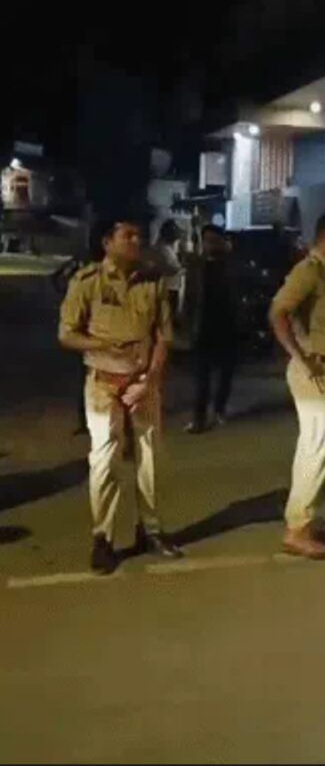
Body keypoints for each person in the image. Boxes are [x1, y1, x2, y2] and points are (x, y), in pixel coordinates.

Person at [58, 217, 183, 575]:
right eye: (128, 235)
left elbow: (163, 337)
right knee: (105, 461)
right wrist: (103, 345)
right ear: (107, 242)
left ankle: (152, 530)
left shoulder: (153, 282)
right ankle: (103, 538)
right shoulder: (87, 282)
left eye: (138, 235)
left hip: (143, 381)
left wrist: (150, 381)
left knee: (150, 458)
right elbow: (66, 334)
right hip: (103, 383)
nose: (136, 241)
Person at [269, 210, 325, 560]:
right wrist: (301, 357)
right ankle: (297, 530)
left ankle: (306, 519)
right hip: (314, 372)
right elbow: (278, 311)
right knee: (316, 450)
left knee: (316, 449)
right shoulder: (308, 271)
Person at [183, 224, 240, 434]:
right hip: (203, 327)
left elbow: (239, 295)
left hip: (228, 327)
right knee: (202, 376)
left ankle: (219, 409)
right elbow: (189, 297)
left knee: (226, 373)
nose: (210, 245)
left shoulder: (232, 265)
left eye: (215, 240)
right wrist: (187, 323)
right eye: (207, 240)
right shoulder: (197, 266)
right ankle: (199, 419)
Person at [152, 219, 184, 321]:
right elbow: (167, 269)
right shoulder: (160, 248)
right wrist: (180, 269)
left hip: (172, 287)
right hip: (166, 289)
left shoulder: (169, 248)